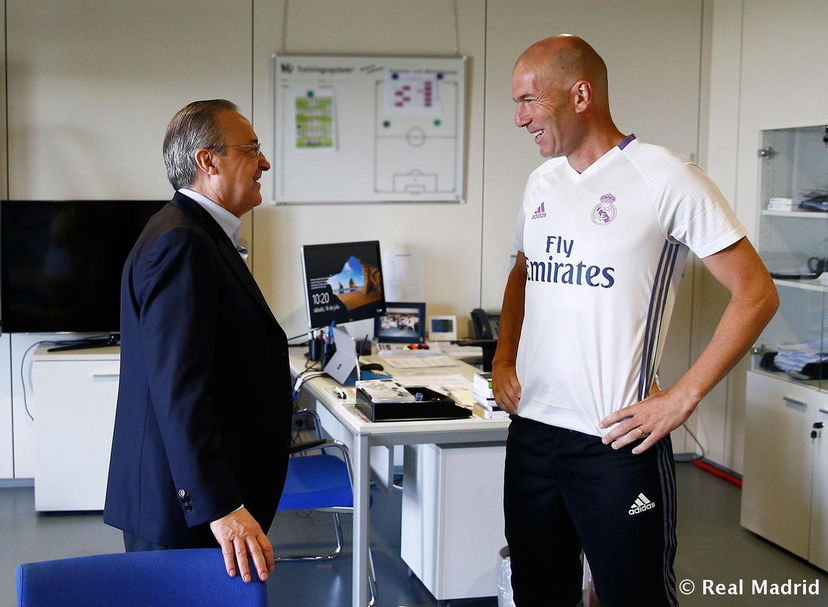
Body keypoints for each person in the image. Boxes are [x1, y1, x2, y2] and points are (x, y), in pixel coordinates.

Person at [492, 36, 778, 606]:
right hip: (534, 435)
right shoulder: (540, 183)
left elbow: (756, 292)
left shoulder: (666, 176)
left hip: (616, 445)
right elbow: (524, 271)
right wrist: (502, 358)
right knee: (537, 592)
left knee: (634, 593)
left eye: (529, 101)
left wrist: (683, 397)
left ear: (580, 93)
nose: (520, 118)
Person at [104, 100, 293, 585]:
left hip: (192, 500)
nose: (265, 163)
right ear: (208, 161)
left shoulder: (191, 232)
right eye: (252, 150)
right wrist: (223, 507)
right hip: (189, 512)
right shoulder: (182, 242)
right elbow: (179, 389)